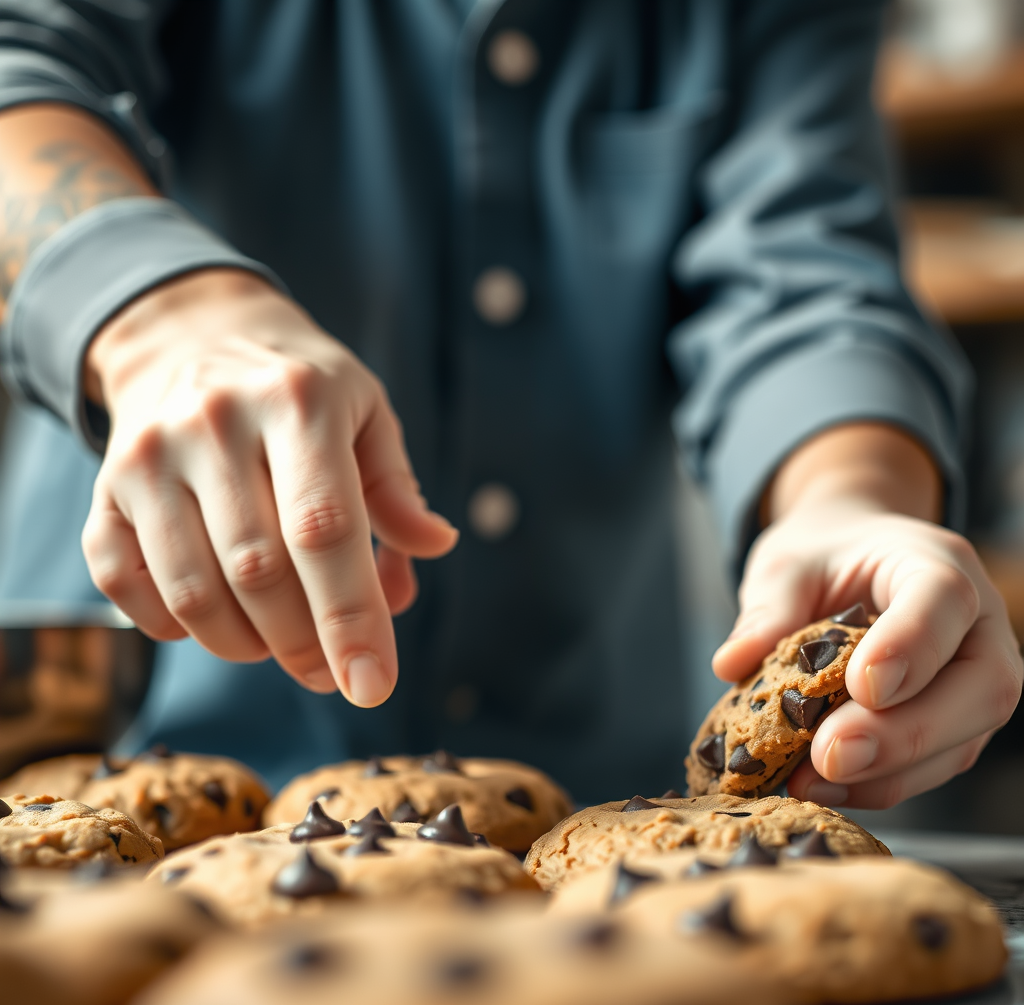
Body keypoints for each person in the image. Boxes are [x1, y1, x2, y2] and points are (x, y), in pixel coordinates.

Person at [0, 0, 1018, 805]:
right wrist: (162, 317)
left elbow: (805, 274)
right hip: (106, 733)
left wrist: (843, 505)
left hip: (595, 783)